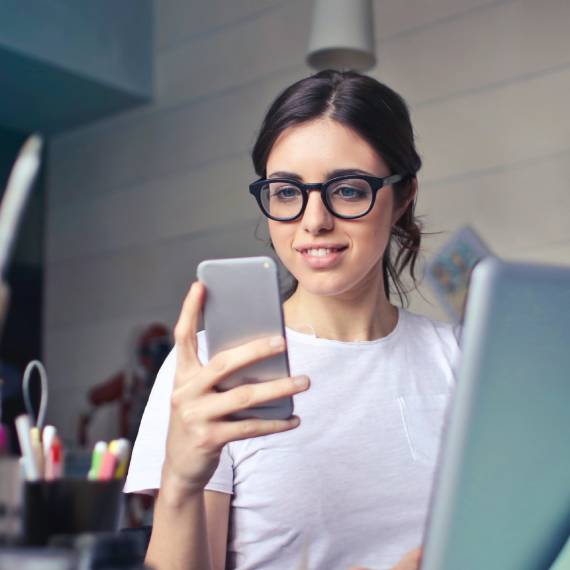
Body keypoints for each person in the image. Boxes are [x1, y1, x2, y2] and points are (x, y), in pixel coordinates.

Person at [125, 70, 459, 570]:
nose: (313, 221)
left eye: (347, 190)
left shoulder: (463, 359)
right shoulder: (212, 367)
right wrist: (180, 483)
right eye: (286, 192)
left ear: (403, 195)